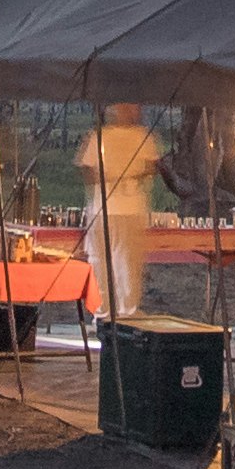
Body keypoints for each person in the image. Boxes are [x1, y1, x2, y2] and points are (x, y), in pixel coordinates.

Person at [82, 102, 165, 318]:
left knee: (110, 261)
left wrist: (112, 177)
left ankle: (112, 312)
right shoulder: (127, 136)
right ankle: (118, 311)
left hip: (114, 208)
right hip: (116, 208)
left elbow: (88, 171)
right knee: (119, 260)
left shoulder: (131, 136)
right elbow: (152, 167)